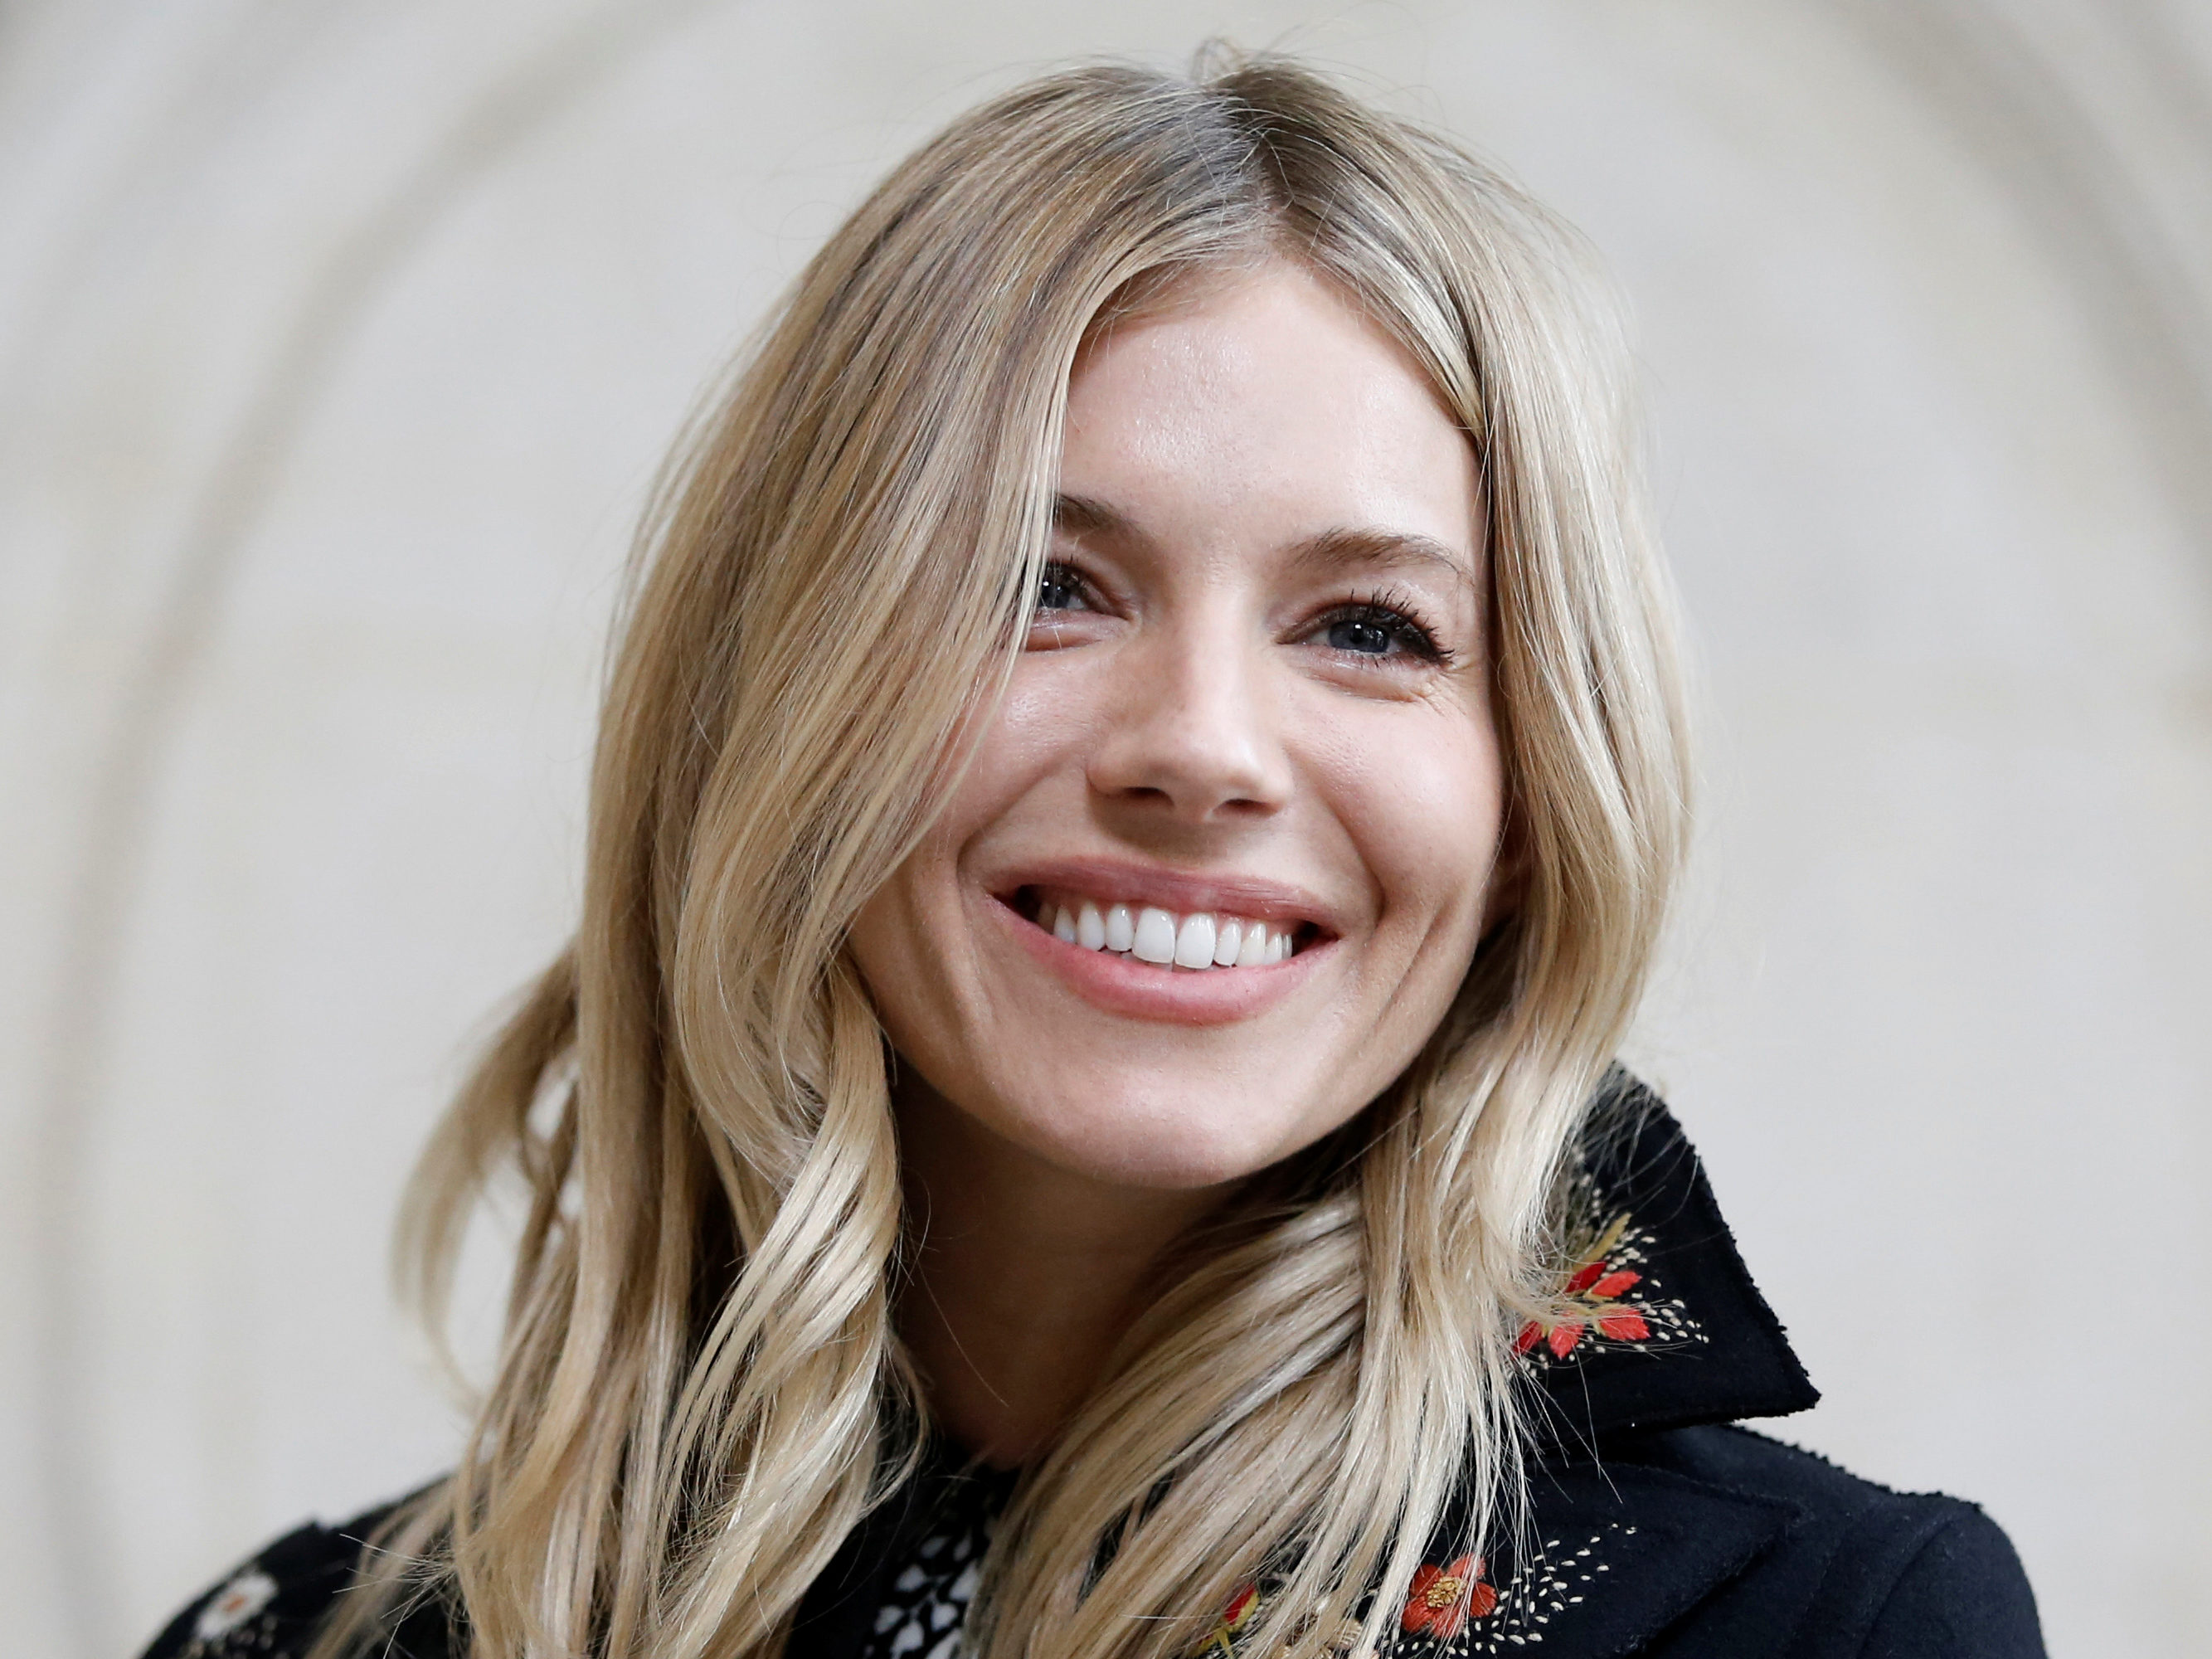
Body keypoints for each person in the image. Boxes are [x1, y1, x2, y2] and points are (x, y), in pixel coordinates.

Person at [141, 51, 2044, 1659]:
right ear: (770, 709)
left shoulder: (1811, 1623)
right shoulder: (306, 1638)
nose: (1200, 746)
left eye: (1367, 626)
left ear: (1535, 796)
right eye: (1037, 586)